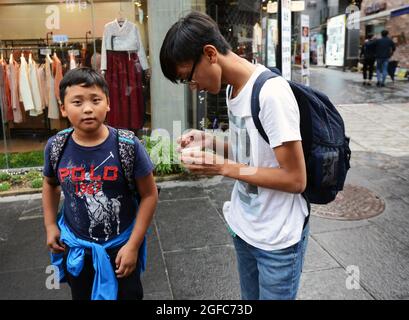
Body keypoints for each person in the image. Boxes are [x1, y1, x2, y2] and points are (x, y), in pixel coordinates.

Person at [160, 11, 309, 300]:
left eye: (189, 78)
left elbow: (295, 179)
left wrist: (222, 168)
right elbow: (252, 154)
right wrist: (210, 141)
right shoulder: (233, 89)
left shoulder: (271, 94)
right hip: (246, 228)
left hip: (277, 239)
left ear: (210, 54)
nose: (194, 88)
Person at [42, 67, 158, 300]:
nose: (87, 108)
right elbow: (50, 184)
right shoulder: (56, 147)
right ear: (63, 108)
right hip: (77, 248)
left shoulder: (127, 145)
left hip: (121, 247)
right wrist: (50, 225)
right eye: (77, 102)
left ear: (108, 104)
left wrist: (133, 246)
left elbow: (149, 195)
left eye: (95, 100)